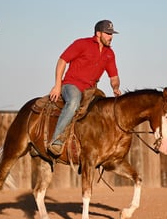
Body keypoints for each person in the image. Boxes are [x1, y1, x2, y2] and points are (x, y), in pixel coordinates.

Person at [48, 19, 122, 156]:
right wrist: (57, 85)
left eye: (112, 34)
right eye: (108, 33)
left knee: (104, 109)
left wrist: (116, 88)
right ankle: (56, 140)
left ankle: (96, 146)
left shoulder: (109, 54)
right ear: (98, 33)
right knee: (74, 102)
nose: (111, 37)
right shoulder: (82, 44)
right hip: (71, 85)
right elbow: (62, 60)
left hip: (90, 90)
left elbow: (114, 77)